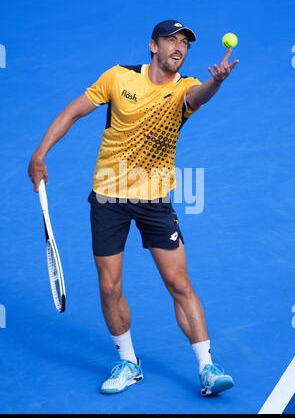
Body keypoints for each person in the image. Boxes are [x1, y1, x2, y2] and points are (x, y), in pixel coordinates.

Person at [28, 20, 239, 397]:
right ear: (153, 45)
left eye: (185, 44)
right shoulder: (118, 78)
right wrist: (41, 154)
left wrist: (218, 82)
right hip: (108, 198)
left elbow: (200, 96)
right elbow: (72, 112)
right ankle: (128, 361)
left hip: (155, 201)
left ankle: (208, 366)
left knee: (178, 282)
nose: (179, 48)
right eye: (171, 41)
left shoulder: (184, 89)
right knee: (109, 286)